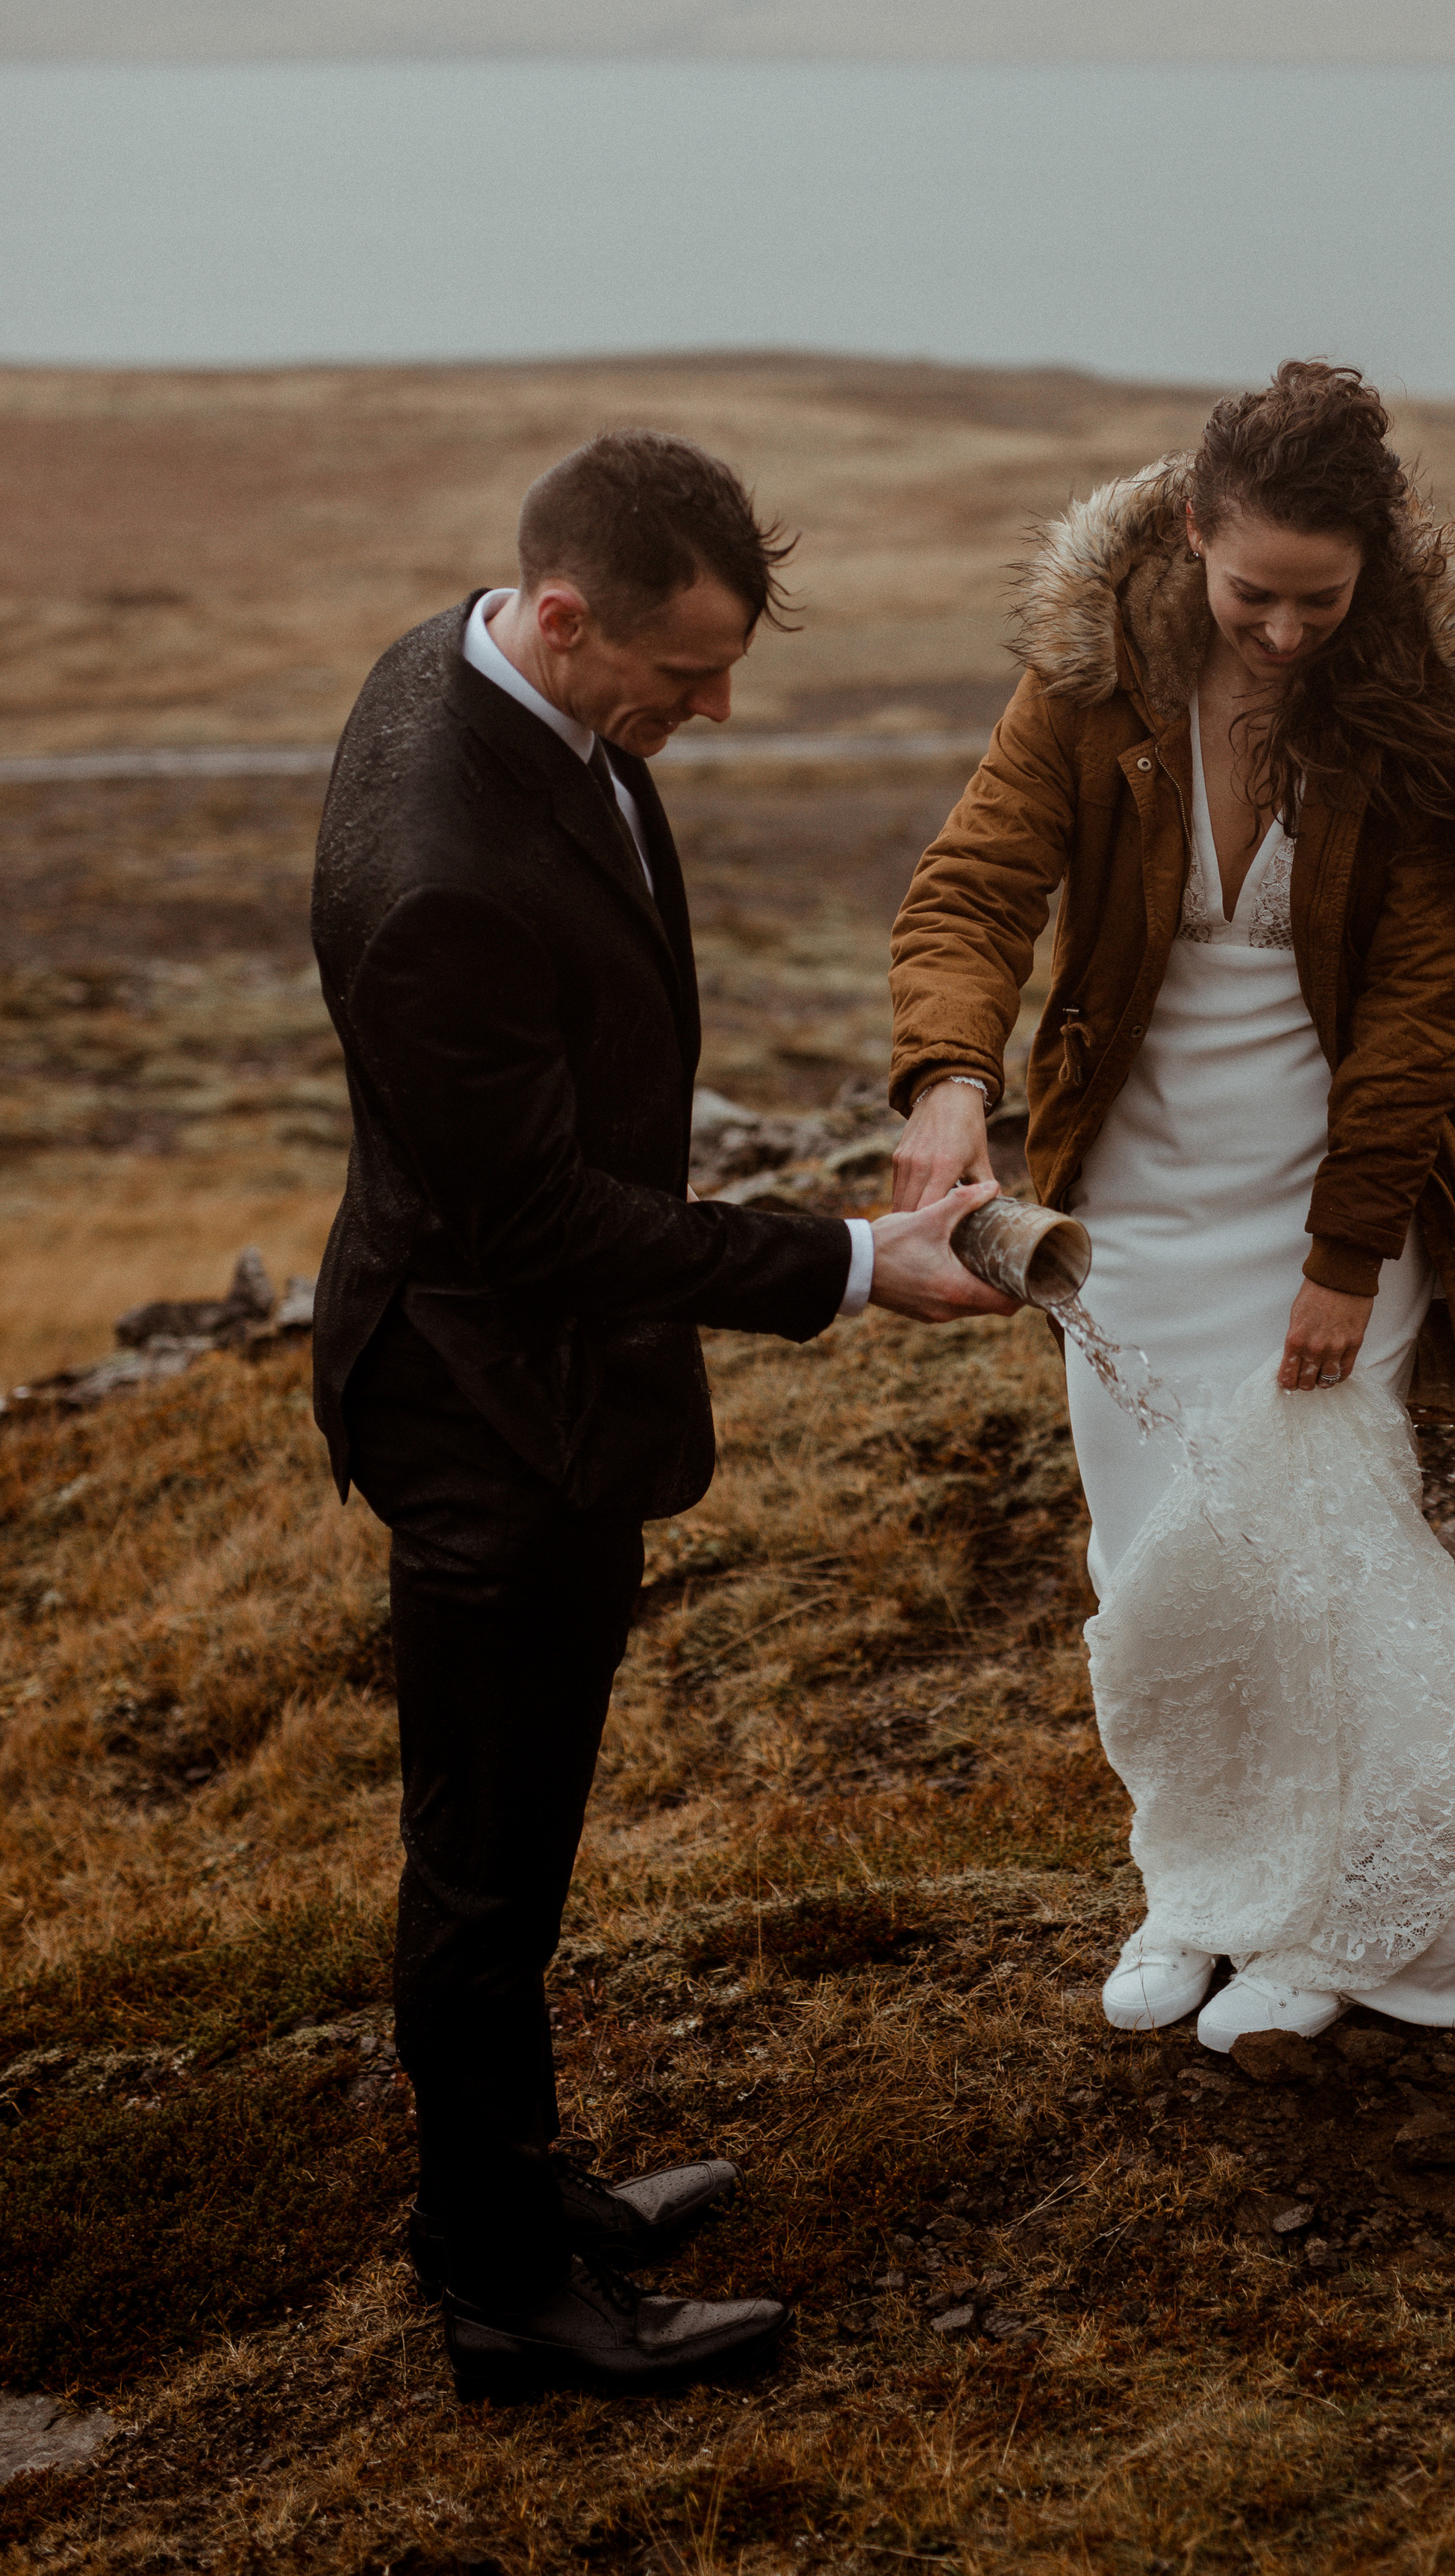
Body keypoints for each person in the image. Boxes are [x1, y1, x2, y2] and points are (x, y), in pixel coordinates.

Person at [311, 431, 1009, 2402]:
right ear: (560, 617)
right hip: (484, 1412)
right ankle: (502, 2289)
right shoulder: (438, 871)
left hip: (541, 1380)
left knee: (516, 1840)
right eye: (684, 675)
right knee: (484, 1868)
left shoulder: (488, 676)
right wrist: (856, 1266)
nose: (712, 713)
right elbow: (532, 1223)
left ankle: (513, 2190)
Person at [888, 363, 1455, 2055]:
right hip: (1129, 1204)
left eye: (1320, 601)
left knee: (1322, 1564)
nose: (1284, 634)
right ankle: (1199, 1888)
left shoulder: (1417, 700)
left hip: (1332, 1187)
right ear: (1195, 531)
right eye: (1253, 595)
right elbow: (974, 885)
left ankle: (1347, 1917)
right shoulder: (1088, 681)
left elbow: (1422, 1012)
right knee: (1154, 1559)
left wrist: (1344, 1259)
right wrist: (949, 1076)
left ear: (1373, 571)